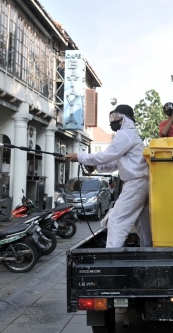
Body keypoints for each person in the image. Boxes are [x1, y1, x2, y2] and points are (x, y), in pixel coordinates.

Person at [63, 104, 152, 248]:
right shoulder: (130, 136)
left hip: (136, 183)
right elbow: (114, 164)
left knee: (116, 221)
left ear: (125, 119)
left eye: (115, 117)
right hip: (139, 183)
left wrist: (80, 157)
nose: (112, 121)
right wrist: (95, 166)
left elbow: (106, 155)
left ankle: (111, 256)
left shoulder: (125, 135)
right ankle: (148, 250)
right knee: (141, 223)